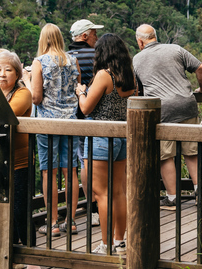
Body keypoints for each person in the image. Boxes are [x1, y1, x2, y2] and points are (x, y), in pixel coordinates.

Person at [133, 24, 202, 209]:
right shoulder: (176, 49)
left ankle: (173, 198)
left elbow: (137, 88)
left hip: (162, 108)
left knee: (165, 155)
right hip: (186, 103)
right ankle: (199, 190)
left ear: (140, 41)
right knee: (191, 150)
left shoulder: (136, 59)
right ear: (155, 36)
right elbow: (200, 67)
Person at [77, 33, 135, 255]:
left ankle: (106, 244)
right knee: (118, 192)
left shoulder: (104, 75)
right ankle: (119, 241)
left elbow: (86, 109)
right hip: (122, 136)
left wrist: (81, 92)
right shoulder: (130, 76)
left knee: (102, 193)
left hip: (101, 137)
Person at [22, 23, 81, 237]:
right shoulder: (72, 60)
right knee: (70, 170)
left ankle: (53, 222)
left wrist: (27, 80)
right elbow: (77, 89)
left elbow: (36, 97)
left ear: (42, 40)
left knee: (49, 171)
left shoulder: (39, 62)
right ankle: (72, 220)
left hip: (47, 122)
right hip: (71, 122)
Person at [0, 50, 33, 246]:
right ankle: (7, 252)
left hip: (19, 162)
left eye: (8, 69)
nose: (2, 74)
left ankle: (32, 255)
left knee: (19, 210)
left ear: (17, 74)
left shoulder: (23, 93)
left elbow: (8, 113)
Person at [67, 18, 104, 226]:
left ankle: (91, 206)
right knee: (98, 161)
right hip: (98, 116)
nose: (96, 38)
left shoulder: (66, 57)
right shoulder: (98, 56)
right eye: (93, 34)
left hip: (75, 117)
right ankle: (101, 206)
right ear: (84, 36)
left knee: (83, 162)